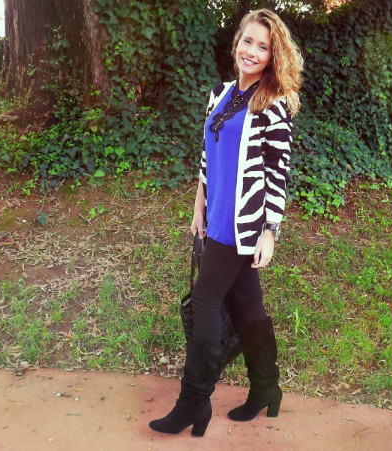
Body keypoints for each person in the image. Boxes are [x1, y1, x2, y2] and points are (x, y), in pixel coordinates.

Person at [149, 8, 303, 437]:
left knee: (204, 303)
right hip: (215, 215)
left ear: (273, 56)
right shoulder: (219, 94)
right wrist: (198, 206)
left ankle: (193, 402)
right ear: (237, 43)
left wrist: (270, 231)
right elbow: (207, 156)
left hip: (243, 224)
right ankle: (266, 388)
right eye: (247, 41)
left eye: (262, 46)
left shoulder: (272, 104)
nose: (252, 51)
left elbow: (278, 172)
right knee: (248, 307)